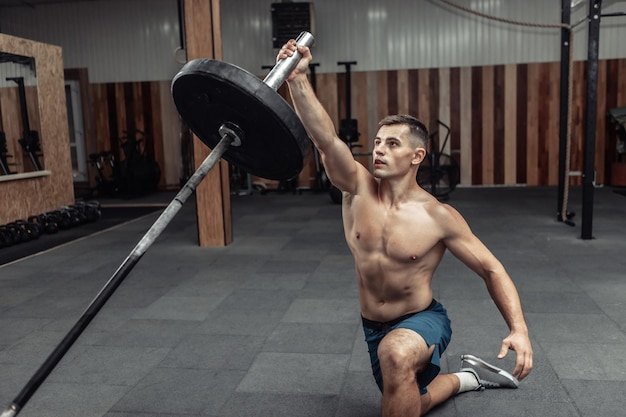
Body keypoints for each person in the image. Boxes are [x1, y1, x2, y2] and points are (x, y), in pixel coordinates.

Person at [278, 39, 533, 416]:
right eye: (378, 142)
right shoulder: (356, 190)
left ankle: (431, 368)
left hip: (421, 320)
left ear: (417, 156)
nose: (379, 150)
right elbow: (325, 138)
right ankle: (468, 379)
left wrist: (519, 328)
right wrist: (297, 79)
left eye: (392, 144)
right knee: (412, 399)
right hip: (372, 326)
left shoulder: (437, 216)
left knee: (397, 355)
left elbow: (491, 268)